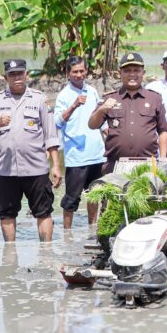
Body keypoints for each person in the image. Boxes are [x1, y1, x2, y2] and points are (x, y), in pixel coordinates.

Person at [0, 59, 61, 242]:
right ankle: (10, 253)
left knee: (44, 211)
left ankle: (46, 252)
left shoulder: (40, 99)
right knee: (6, 213)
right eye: (12, 74)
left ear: (26, 75)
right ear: (5, 77)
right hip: (7, 169)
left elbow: (51, 136)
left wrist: (56, 166)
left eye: (20, 73)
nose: (17, 78)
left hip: (36, 168)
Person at [88, 52, 167, 173]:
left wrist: (163, 159)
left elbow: (163, 131)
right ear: (119, 74)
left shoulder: (154, 99)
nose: (132, 74)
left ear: (143, 73)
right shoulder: (110, 98)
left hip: (147, 165)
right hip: (115, 165)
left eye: (136, 70)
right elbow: (92, 125)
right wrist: (102, 110)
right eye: (127, 70)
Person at [54, 56, 106, 229]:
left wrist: (108, 133)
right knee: (71, 199)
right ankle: (67, 234)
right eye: (75, 71)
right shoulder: (64, 95)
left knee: (94, 195)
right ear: (68, 73)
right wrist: (74, 105)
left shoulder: (92, 91)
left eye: (82, 71)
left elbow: (100, 117)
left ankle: (92, 227)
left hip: (97, 154)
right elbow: (58, 122)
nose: (79, 75)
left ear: (86, 71)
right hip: (76, 156)